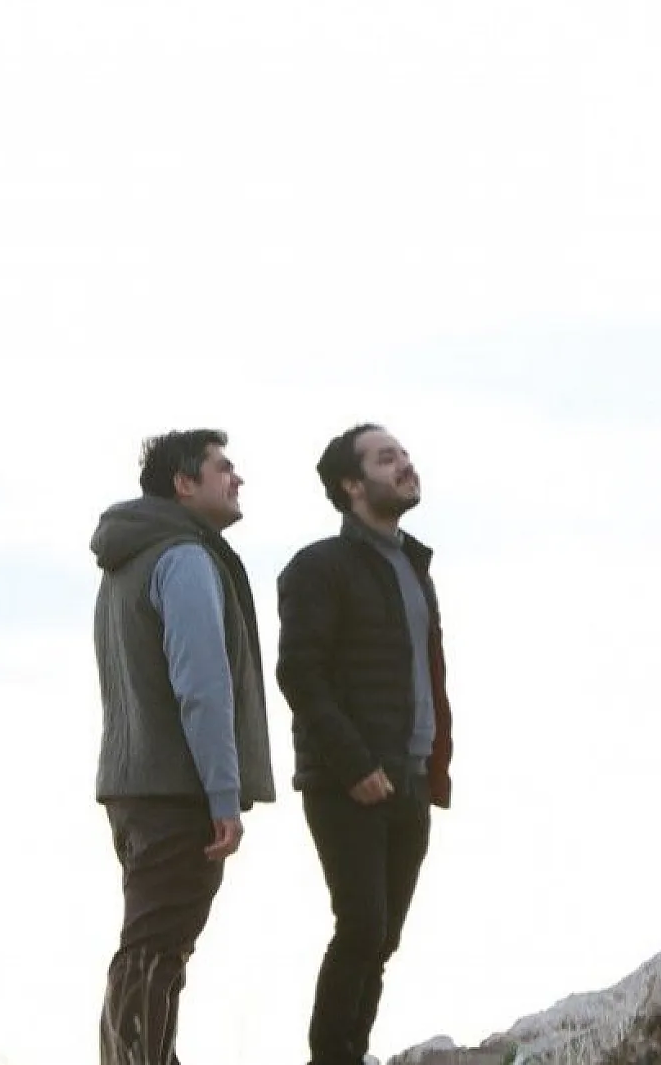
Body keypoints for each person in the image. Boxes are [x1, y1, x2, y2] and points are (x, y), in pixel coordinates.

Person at [89, 428, 277, 1065]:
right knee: (156, 952)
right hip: (176, 791)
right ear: (183, 482)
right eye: (223, 467)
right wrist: (224, 795)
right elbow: (203, 686)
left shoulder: (126, 559)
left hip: (132, 787)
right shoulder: (183, 559)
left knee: (148, 946)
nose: (237, 478)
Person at [276, 423, 454, 1065]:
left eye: (405, 453)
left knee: (383, 938)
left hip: (409, 775)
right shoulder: (320, 566)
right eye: (387, 459)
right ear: (352, 485)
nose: (405, 464)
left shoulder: (412, 562)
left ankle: (353, 1052)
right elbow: (298, 671)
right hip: (345, 780)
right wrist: (353, 765)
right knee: (361, 927)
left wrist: (431, 763)